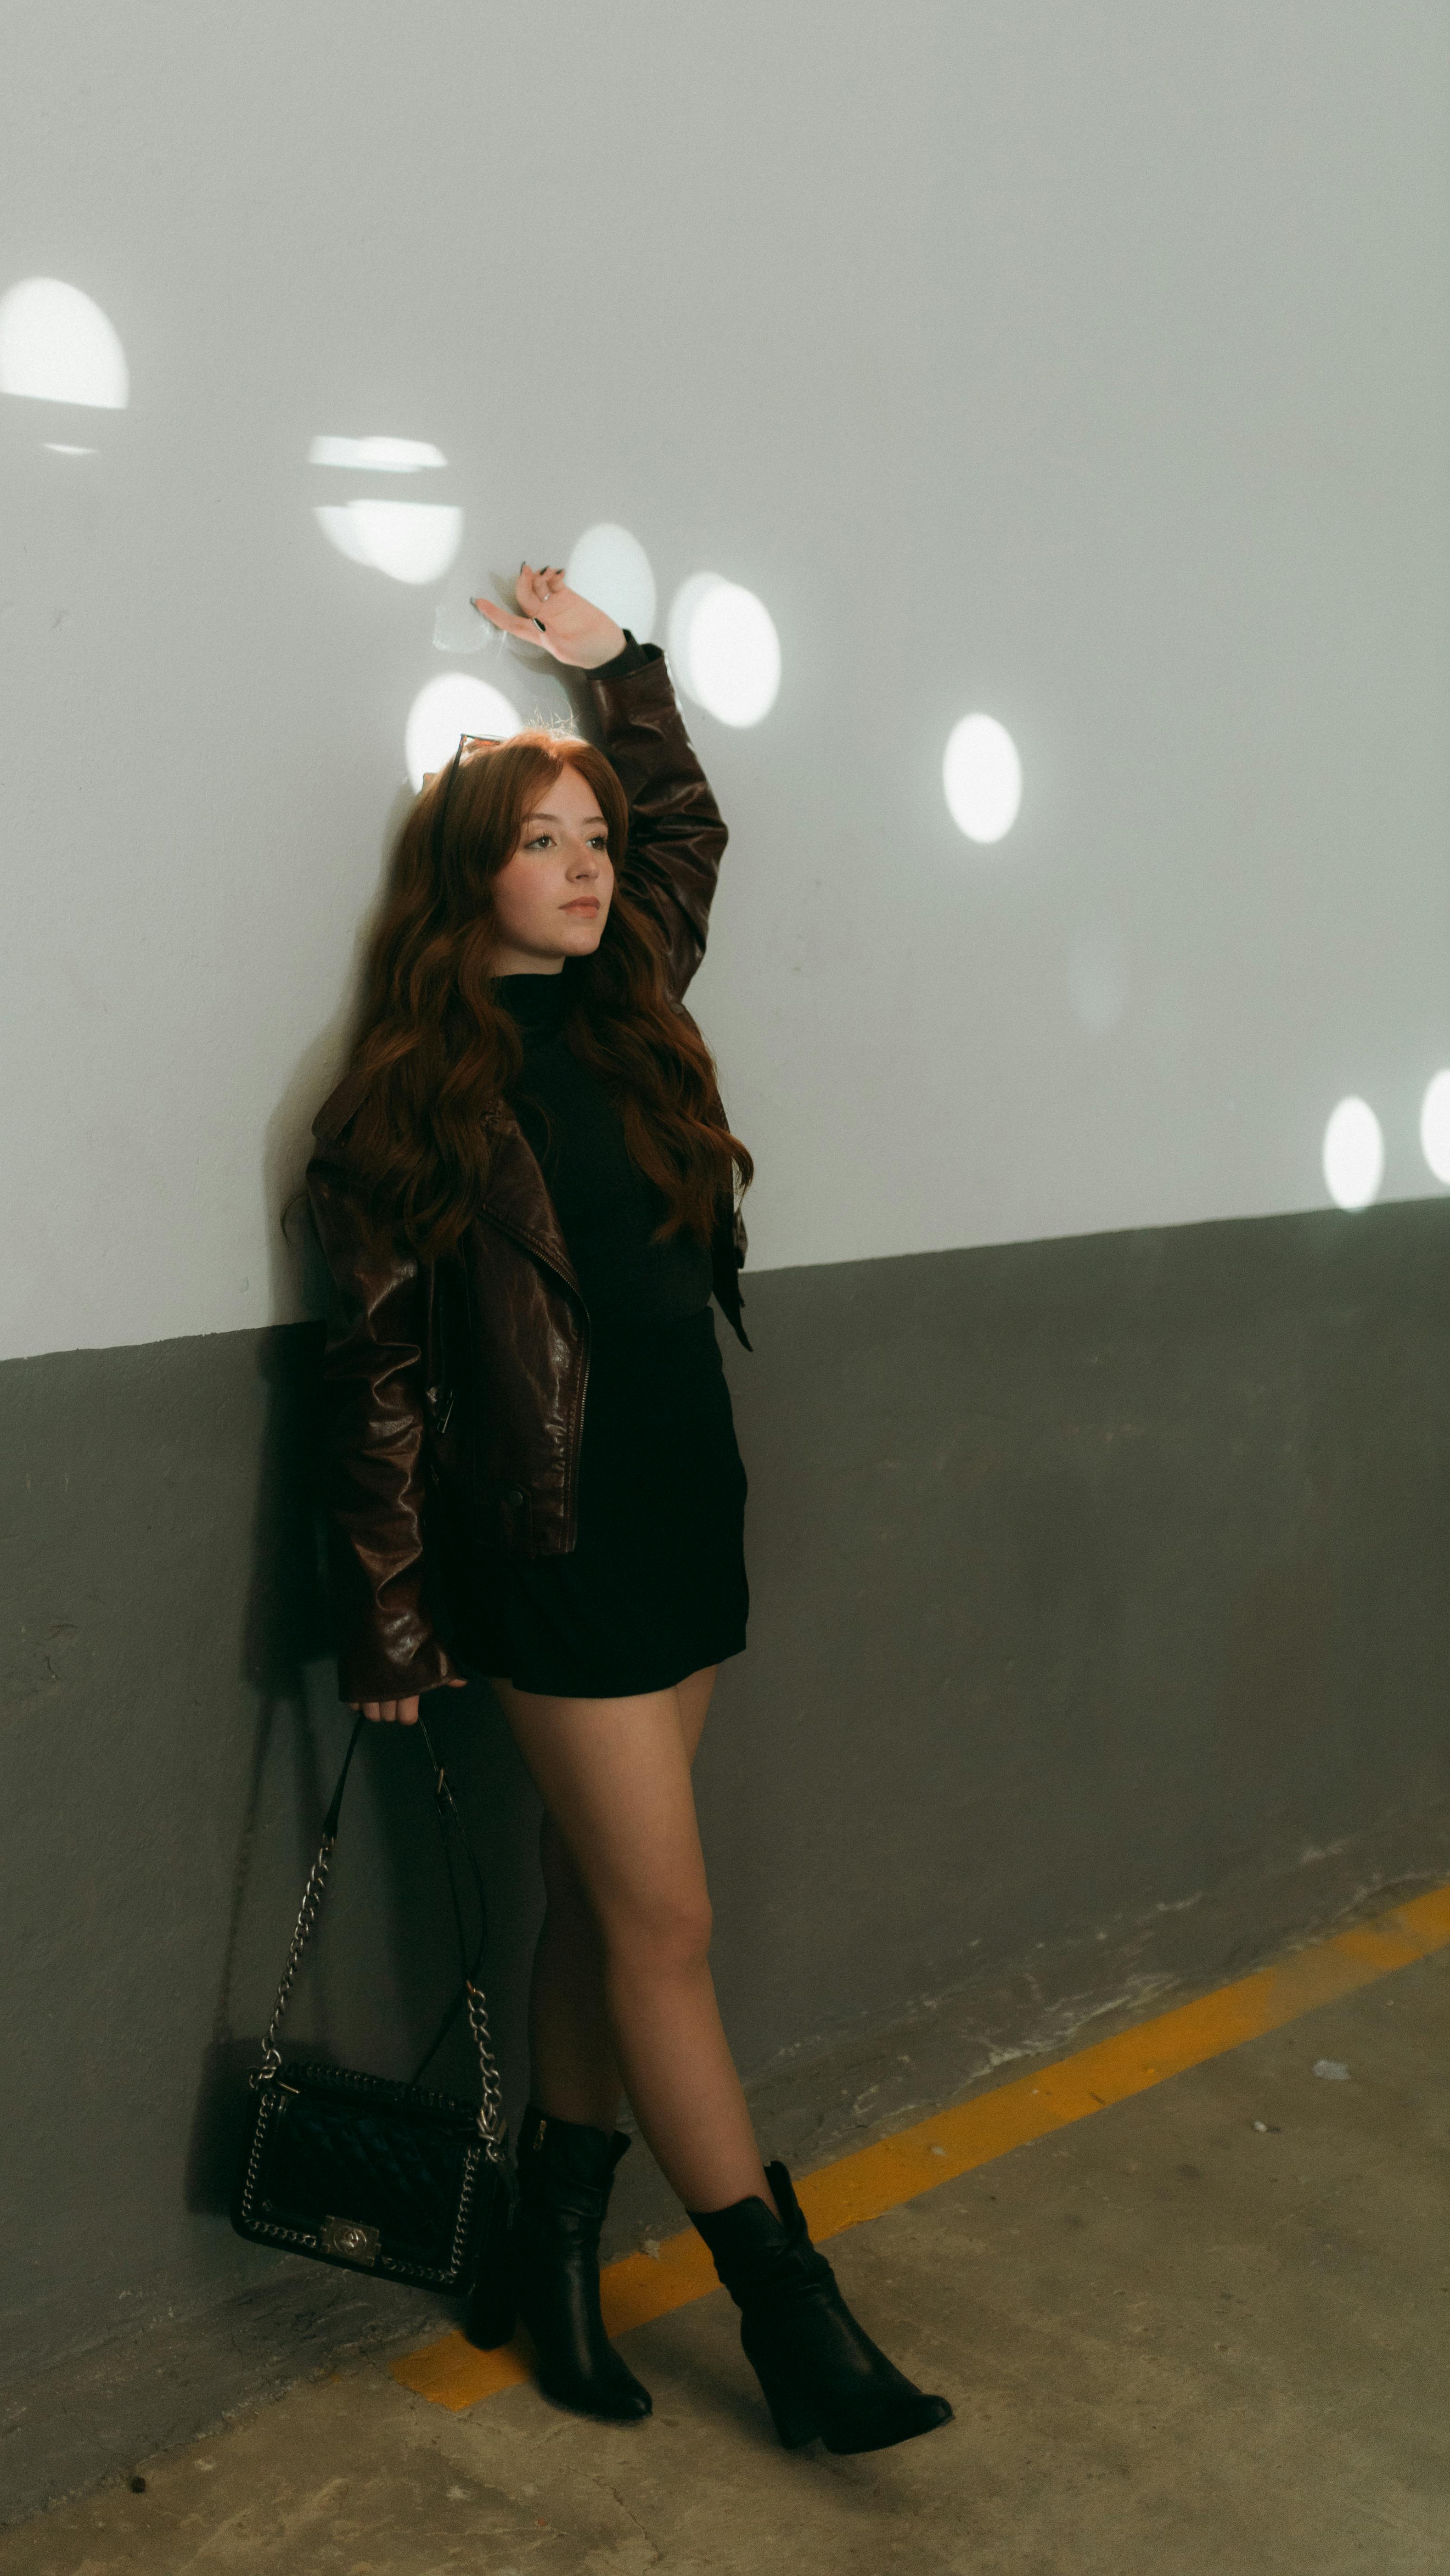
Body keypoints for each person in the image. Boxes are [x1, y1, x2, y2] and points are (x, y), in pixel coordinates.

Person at [303, 563, 952, 2457]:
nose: (588, 866)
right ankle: (786, 2313)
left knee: (603, 1916)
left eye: (593, 838)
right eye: (543, 842)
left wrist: (619, 673)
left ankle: (550, 2256)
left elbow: (685, 818)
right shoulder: (400, 1103)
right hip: (553, 1546)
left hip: (680, 1496)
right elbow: (379, 1383)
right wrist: (395, 1613)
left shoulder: (634, 992)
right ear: (465, 875)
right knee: (665, 1923)